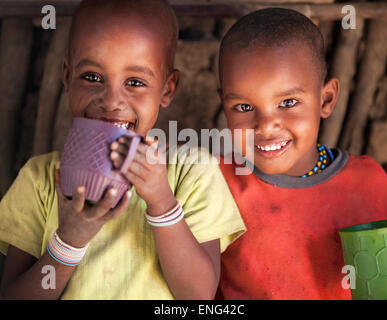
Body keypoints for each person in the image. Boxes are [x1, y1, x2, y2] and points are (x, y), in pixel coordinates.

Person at [0, 0, 245, 300]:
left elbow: (198, 296)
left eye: (135, 82)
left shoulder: (191, 171)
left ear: (167, 89)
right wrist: (69, 242)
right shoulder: (40, 179)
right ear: (66, 75)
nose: (111, 99)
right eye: (92, 77)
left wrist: (162, 203)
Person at [216, 8, 387, 299]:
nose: (266, 125)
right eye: (244, 107)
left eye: (288, 102)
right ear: (224, 105)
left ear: (326, 99)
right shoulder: (218, 186)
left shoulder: (366, 184)